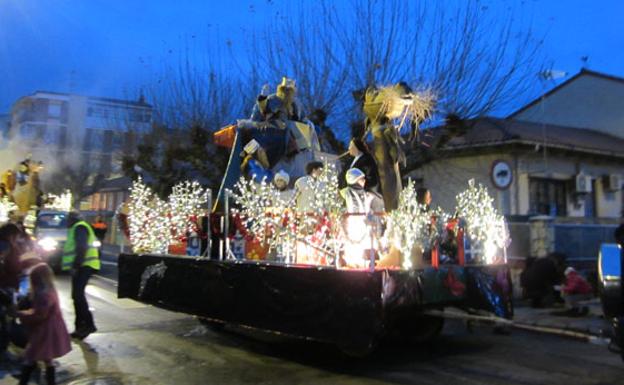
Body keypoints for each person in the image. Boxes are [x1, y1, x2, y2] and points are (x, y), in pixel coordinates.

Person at [16, 263, 71, 385]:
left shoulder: (43, 295)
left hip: (44, 331)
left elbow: (39, 315)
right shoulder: (51, 290)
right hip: (51, 329)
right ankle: (51, 382)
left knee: (30, 357)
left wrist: (20, 314)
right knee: (47, 358)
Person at [62, 212, 100, 340]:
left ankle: (89, 325)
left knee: (78, 295)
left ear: (73, 219)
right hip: (83, 265)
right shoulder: (78, 227)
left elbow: (81, 247)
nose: (67, 222)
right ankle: (79, 327)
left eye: (68, 219)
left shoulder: (80, 227)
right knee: (76, 296)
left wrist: (75, 266)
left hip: (84, 265)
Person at [340, 168, 385, 267]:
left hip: (364, 224)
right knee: (354, 245)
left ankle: (365, 262)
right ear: (354, 180)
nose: (364, 181)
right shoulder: (346, 193)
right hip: (353, 225)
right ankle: (353, 262)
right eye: (361, 179)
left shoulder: (366, 194)